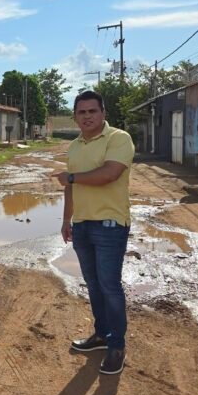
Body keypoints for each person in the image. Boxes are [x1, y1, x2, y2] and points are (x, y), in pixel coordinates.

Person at [52, 90, 135, 375]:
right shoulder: (75, 146)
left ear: (103, 113)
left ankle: (117, 346)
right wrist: (67, 219)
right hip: (83, 225)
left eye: (92, 111)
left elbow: (109, 174)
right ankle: (102, 335)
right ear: (75, 117)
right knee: (94, 284)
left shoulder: (118, 139)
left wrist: (71, 177)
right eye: (82, 112)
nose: (87, 116)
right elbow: (71, 187)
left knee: (110, 286)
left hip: (110, 224)